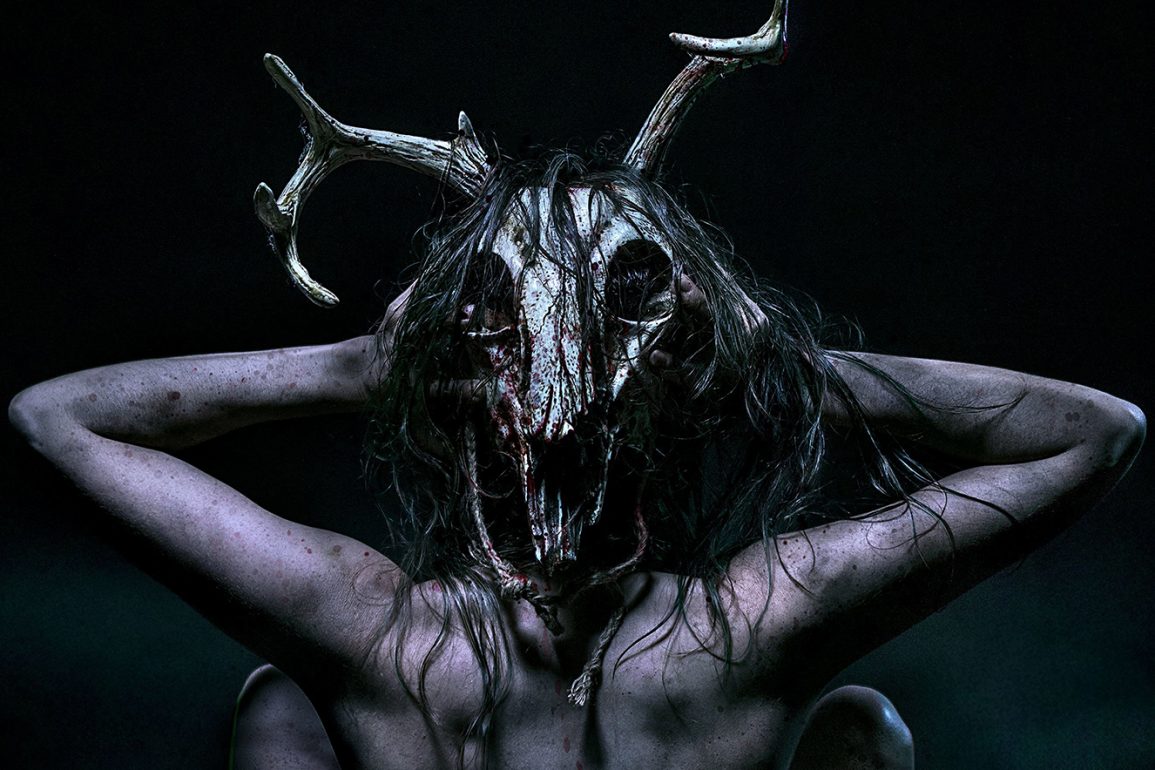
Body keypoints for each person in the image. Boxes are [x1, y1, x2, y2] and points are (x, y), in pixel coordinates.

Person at [8, 4, 1145, 769]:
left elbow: (56, 420)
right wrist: (781, 362)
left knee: (277, 706)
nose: (560, 388)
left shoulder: (372, 630)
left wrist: (352, 370)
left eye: (621, 302)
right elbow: (1092, 433)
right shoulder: (752, 625)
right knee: (861, 733)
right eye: (511, 314)